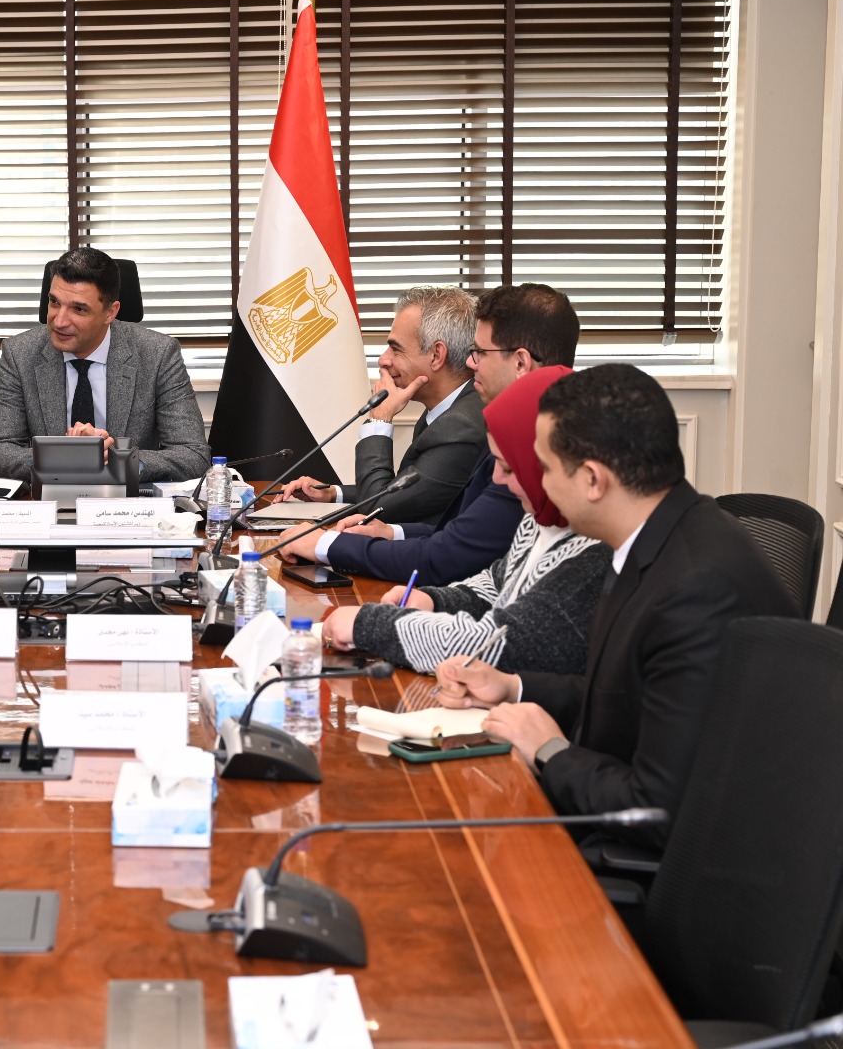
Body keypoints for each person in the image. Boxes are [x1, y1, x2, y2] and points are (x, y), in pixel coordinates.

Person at [434, 364, 797, 850]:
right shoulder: (659, 535)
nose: (530, 482)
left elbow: (657, 810)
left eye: (544, 468)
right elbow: (625, 695)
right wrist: (513, 687)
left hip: (675, 867)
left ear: (592, 479)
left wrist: (550, 751)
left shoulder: (694, 590)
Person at [279, 282, 580, 584]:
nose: (470, 362)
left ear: (520, 362)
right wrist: (390, 531)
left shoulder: (528, 445)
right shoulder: (514, 425)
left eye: (479, 352)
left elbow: (447, 555)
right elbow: (461, 528)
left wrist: (326, 545)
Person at [318, 366, 609, 676]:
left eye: (510, 468)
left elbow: (501, 647)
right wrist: (433, 600)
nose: (497, 479)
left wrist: (369, 625)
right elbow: (496, 583)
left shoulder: (594, 554)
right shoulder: (540, 519)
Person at [0, 247, 209, 482]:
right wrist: (63, 456)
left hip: (129, 500)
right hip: (50, 497)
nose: (59, 321)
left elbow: (193, 455)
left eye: (79, 309)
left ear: (110, 312)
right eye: (54, 302)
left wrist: (119, 458)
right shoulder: (20, 353)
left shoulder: (158, 354)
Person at [278, 285, 484, 525]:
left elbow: (380, 508)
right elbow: (406, 493)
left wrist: (379, 419)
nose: (383, 359)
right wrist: (334, 493)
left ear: (436, 355)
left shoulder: (460, 425)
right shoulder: (450, 409)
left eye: (396, 349)